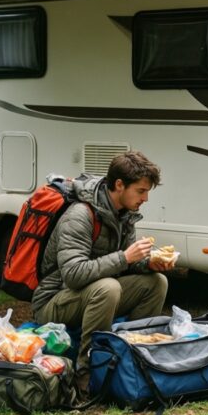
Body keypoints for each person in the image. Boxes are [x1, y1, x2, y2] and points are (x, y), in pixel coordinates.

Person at [32, 151, 174, 391]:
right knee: (108, 287)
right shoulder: (80, 215)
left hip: (95, 293)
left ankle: (133, 359)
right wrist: (124, 257)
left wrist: (148, 264)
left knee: (156, 282)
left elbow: (126, 263)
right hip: (53, 301)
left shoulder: (124, 214)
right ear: (119, 185)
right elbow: (73, 275)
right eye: (141, 191)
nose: (146, 198)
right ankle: (88, 374)